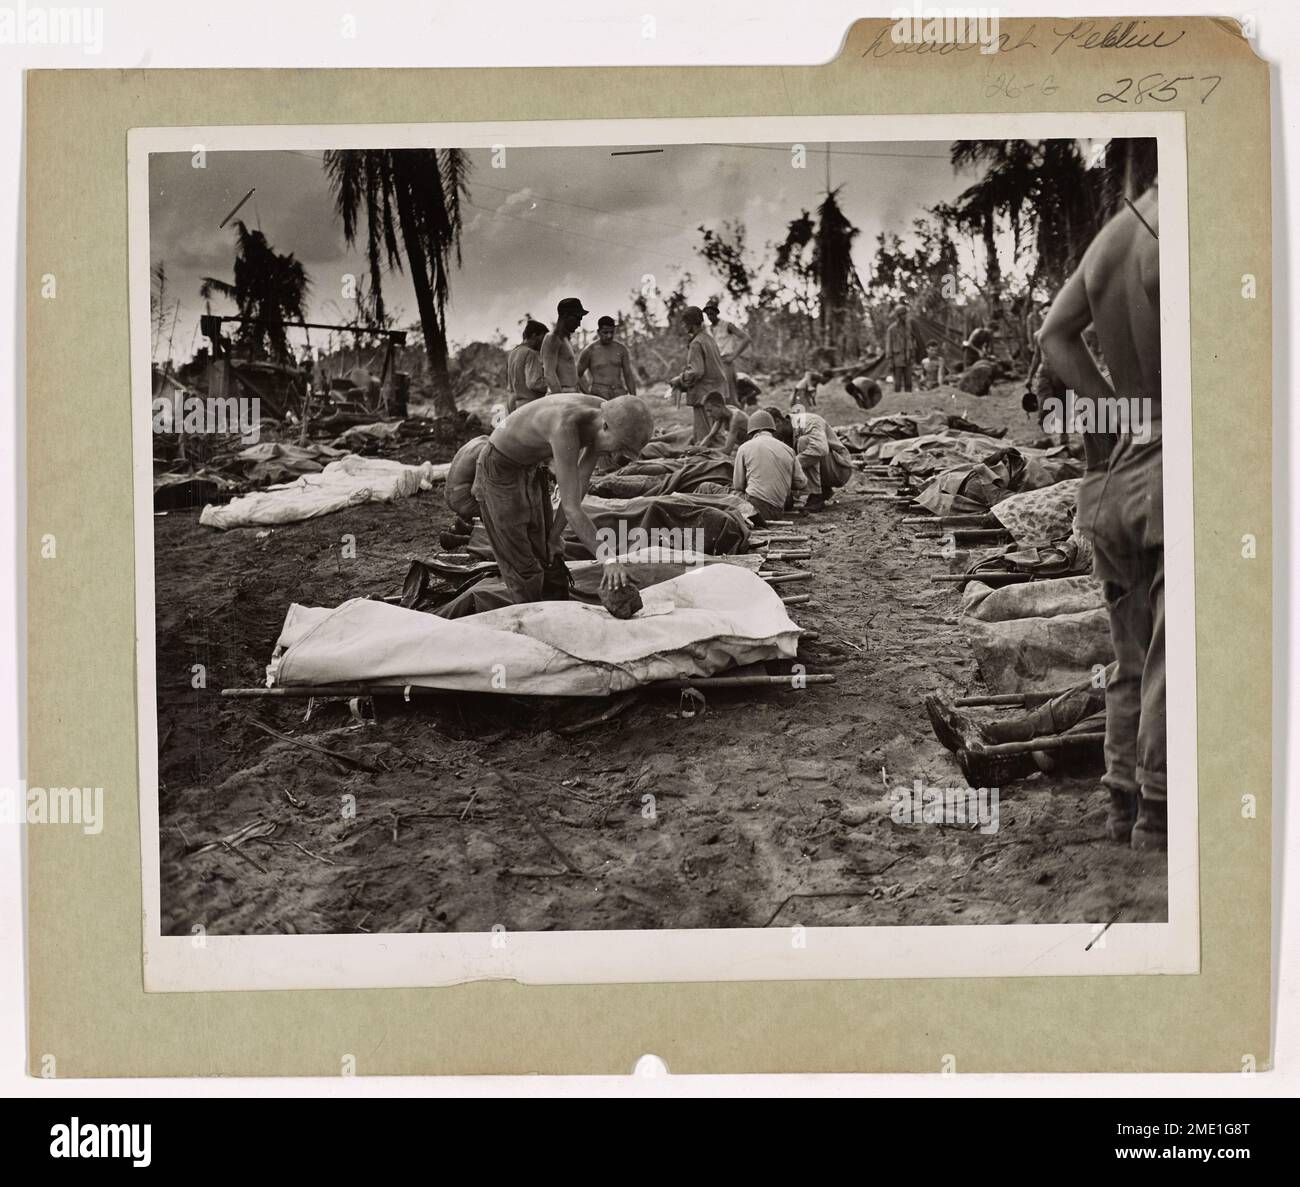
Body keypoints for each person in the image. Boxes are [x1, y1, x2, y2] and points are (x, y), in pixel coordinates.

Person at [1039, 181, 1164, 850]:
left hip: (1115, 477)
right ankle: (1161, 815)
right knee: (1176, 655)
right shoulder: (1182, 223)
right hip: (1170, 467)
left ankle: (1123, 800)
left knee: (1131, 658)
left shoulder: (1114, 235)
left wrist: (1113, 410)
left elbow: (1054, 335)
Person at [467, 393, 654, 604]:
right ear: (605, 427)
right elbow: (572, 509)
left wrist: (555, 536)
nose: (616, 456)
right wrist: (608, 559)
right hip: (499, 468)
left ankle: (556, 613)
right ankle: (531, 621)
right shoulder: (565, 426)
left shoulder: (605, 415)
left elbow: (578, 488)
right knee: (522, 564)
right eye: (619, 447)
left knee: (547, 553)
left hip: (530, 468)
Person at [768, 405, 853, 513]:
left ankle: (816, 497)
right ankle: (823, 490)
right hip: (826, 472)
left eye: (771, 432)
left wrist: (790, 465)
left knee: (804, 442)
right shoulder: (783, 436)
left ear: (778, 421)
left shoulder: (808, 421)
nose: (772, 436)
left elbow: (820, 449)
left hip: (840, 470)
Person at [732, 409, 805, 523]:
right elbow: (801, 483)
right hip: (777, 512)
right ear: (772, 429)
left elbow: (738, 486)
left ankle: (696, 533)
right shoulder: (789, 450)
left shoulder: (745, 447)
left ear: (752, 432)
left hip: (754, 509)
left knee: (708, 488)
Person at [669, 305, 729, 444]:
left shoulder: (696, 343)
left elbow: (697, 371)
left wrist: (679, 379)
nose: (684, 327)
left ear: (690, 323)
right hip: (716, 392)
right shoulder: (709, 339)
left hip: (704, 394)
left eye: (685, 323)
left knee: (704, 436)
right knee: (716, 433)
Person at [703, 297, 751, 404]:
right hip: (714, 364)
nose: (710, 317)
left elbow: (746, 338)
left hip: (726, 362)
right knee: (716, 395)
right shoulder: (708, 329)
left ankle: (736, 417)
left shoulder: (727, 325)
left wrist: (733, 356)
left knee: (729, 394)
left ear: (716, 312)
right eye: (708, 314)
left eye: (712, 313)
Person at [576, 316, 638, 399]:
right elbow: (576, 374)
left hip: (619, 392)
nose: (609, 335)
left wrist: (633, 397)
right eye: (605, 332)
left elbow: (628, 375)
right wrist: (588, 394)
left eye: (612, 332)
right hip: (599, 394)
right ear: (598, 332)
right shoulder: (589, 351)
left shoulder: (621, 349)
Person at [541, 296, 589, 393]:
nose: (579, 324)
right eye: (578, 318)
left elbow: (573, 372)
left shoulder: (565, 339)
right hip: (562, 394)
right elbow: (549, 374)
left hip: (571, 393)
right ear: (566, 315)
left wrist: (589, 394)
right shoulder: (552, 338)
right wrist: (561, 399)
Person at [505, 319, 549, 412]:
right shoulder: (530, 353)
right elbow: (534, 383)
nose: (543, 343)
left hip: (514, 405)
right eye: (543, 338)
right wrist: (553, 383)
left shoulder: (513, 353)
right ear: (534, 336)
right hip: (531, 406)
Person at [885, 304, 920, 393]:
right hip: (897, 359)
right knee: (897, 383)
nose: (905, 316)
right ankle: (897, 403)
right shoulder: (891, 329)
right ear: (898, 316)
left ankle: (908, 403)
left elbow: (911, 341)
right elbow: (889, 345)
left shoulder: (908, 328)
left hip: (907, 358)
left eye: (905, 314)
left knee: (909, 383)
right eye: (903, 314)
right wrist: (890, 360)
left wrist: (912, 355)